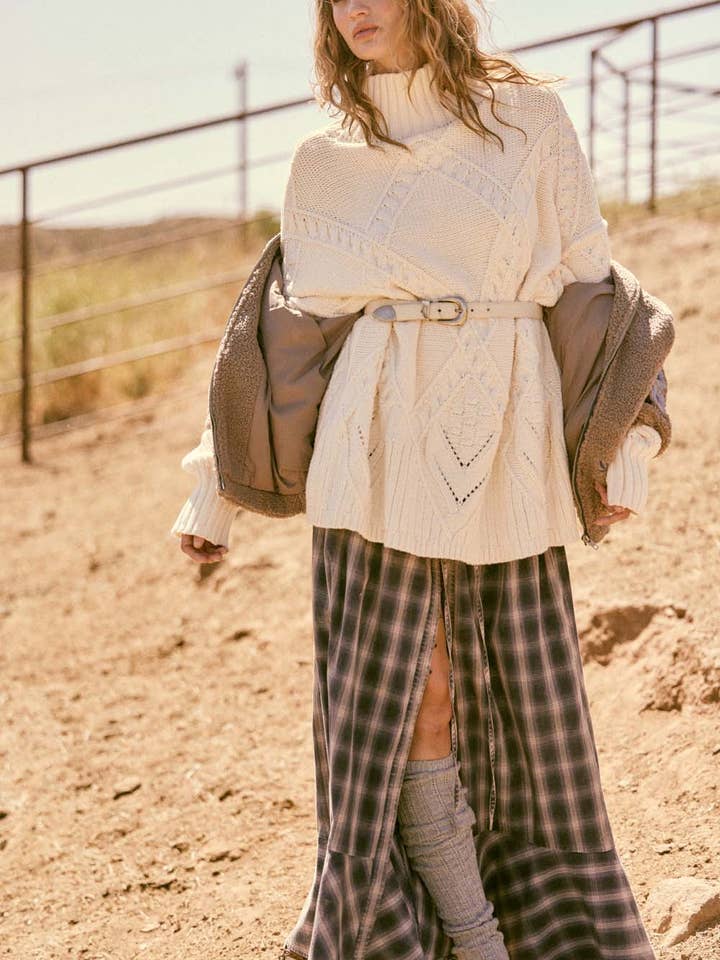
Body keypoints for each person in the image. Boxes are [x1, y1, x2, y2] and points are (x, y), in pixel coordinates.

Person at [171, 1, 663, 957]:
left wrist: (627, 445)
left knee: (514, 706)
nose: (357, 7)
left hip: (505, 440)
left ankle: (539, 923)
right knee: (406, 698)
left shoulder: (530, 120)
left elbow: (593, 292)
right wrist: (214, 488)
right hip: (374, 437)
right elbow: (287, 336)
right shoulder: (326, 158)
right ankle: (461, 936)